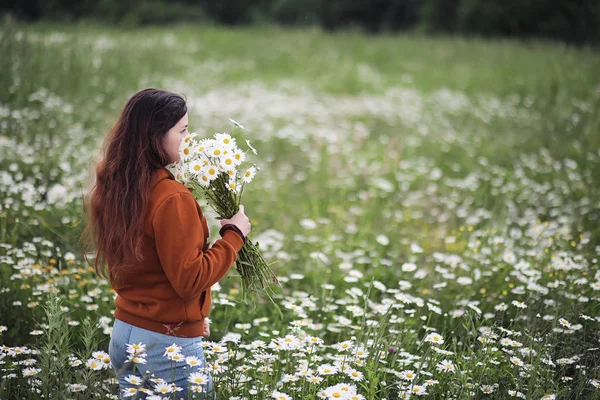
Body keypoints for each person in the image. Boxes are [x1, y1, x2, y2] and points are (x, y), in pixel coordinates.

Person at [82, 88, 251, 399]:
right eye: (182, 130)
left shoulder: (118, 186)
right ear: (154, 136)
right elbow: (190, 279)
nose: (188, 139)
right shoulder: (171, 198)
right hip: (166, 347)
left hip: (124, 335)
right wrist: (234, 236)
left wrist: (193, 318)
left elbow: (145, 268)